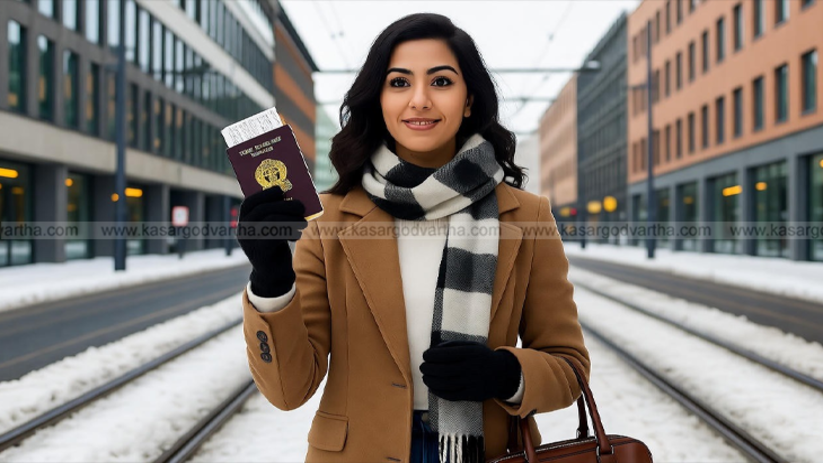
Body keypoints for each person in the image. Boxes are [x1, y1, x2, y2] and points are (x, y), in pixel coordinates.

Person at [237, 12, 590, 463]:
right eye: (399, 83)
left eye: (441, 82)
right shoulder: (332, 219)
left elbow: (570, 366)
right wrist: (270, 281)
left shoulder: (526, 216)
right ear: (379, 100)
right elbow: (289, 390)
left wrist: (506, 373)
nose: (419, 100)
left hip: (490, 453)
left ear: (468, 100)